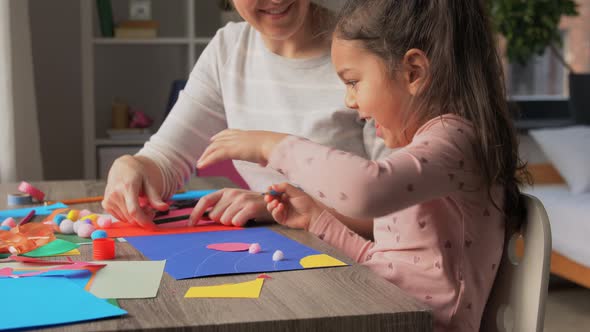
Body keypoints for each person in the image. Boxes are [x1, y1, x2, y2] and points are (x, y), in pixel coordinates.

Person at [196, 0, 529, 330]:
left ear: (413, 72)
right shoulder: (427, 155)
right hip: (384, 314)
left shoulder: (456, 140)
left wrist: (273, 146)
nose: (349, 101)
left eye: (353, 82)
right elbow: (386, 263)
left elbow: (367, 189)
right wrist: (317, 219)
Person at [101, 0, 387, 237]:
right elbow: (168, 158)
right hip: (282, 254)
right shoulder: (229, 48)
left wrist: (280, 206)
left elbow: (407, 213)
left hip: (358, 269)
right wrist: (133, 166)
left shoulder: (368, 51)